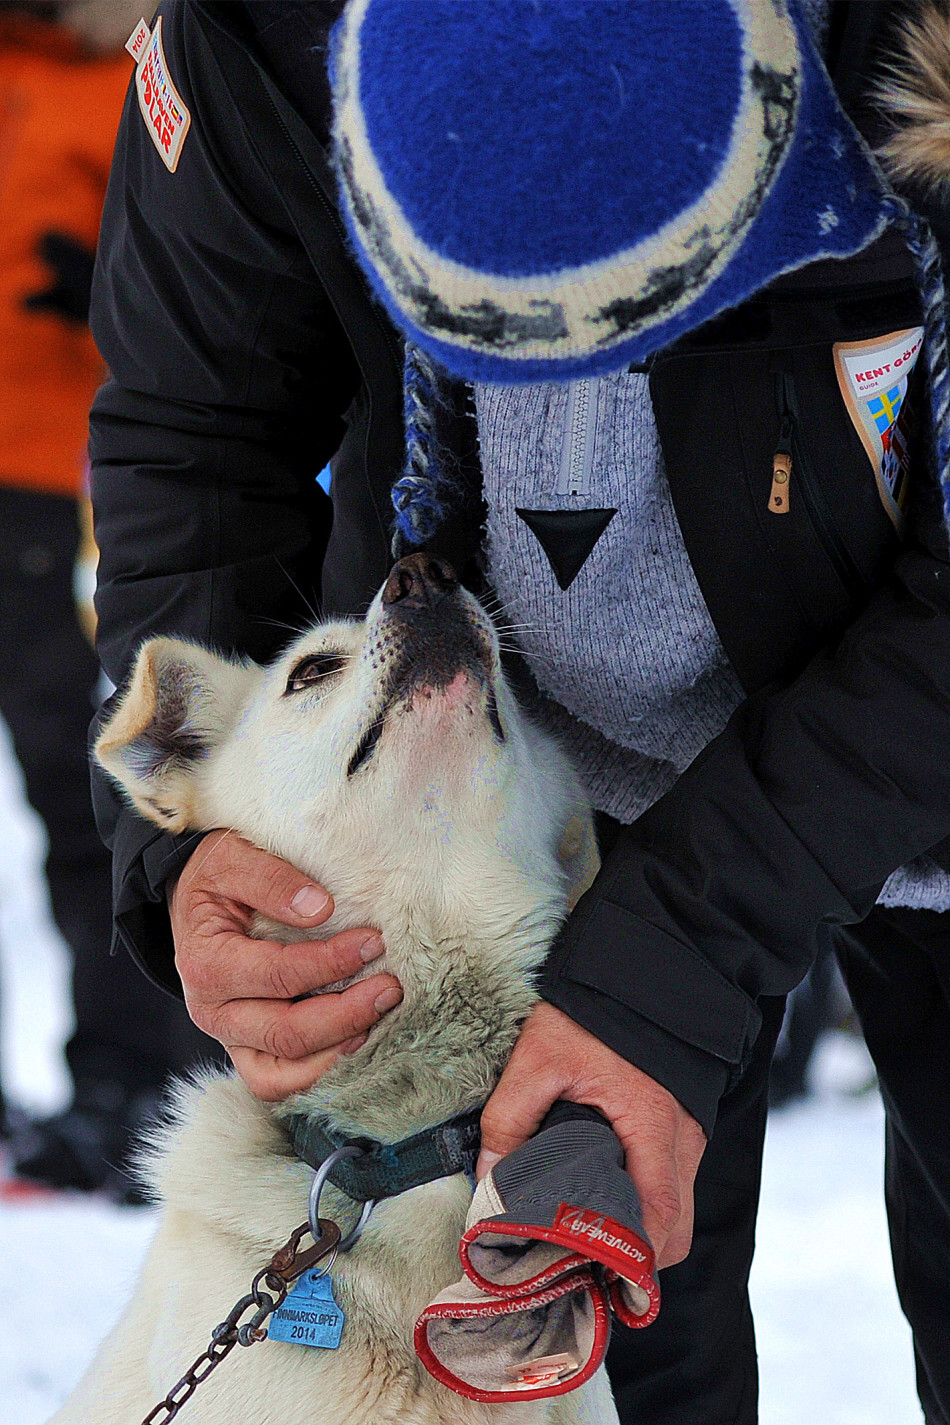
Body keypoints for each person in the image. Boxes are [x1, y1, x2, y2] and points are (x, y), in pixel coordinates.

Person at [87, 0, 950, 1418]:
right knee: (606, 1360)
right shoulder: (262, 31)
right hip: (525, 780)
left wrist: (670, 972)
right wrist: (201, 846)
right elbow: (204, 425)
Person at [0, 0, 219, 1202]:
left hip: (51, 478)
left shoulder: (132, 84)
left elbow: (188, 310)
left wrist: (101, 284)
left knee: (81, 783)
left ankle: (127, 1080)